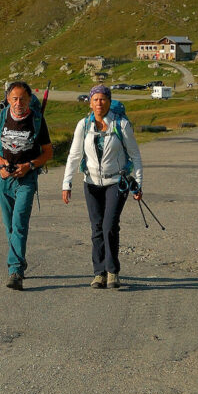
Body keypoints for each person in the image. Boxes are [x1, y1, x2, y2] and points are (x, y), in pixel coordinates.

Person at [61, 84, 143, 289]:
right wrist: (66, 183)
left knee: (109, 226)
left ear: (109, 102)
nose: (99, 103)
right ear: (90, 103)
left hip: (117, 182)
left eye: (103, 99)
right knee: (96, 228)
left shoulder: (121, 124)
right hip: (91, 183)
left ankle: (112, 271)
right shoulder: (83, 125)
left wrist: (138, 183)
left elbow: (135, 155)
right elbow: (74, 155)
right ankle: (99, 274)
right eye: (95, 99)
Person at [0, 81, 54, 291]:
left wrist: (29, 166)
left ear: (29, 100)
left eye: (22, 98)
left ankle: (15, 271)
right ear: (7, 99)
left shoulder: (37, 120)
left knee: (20, 224)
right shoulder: (2, 117)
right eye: (14, 98)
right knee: (10, 226)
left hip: (27, 179)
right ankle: (19, 260)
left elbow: (48, 152)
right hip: (4, 178)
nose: (18, 103)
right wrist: (1, 164)